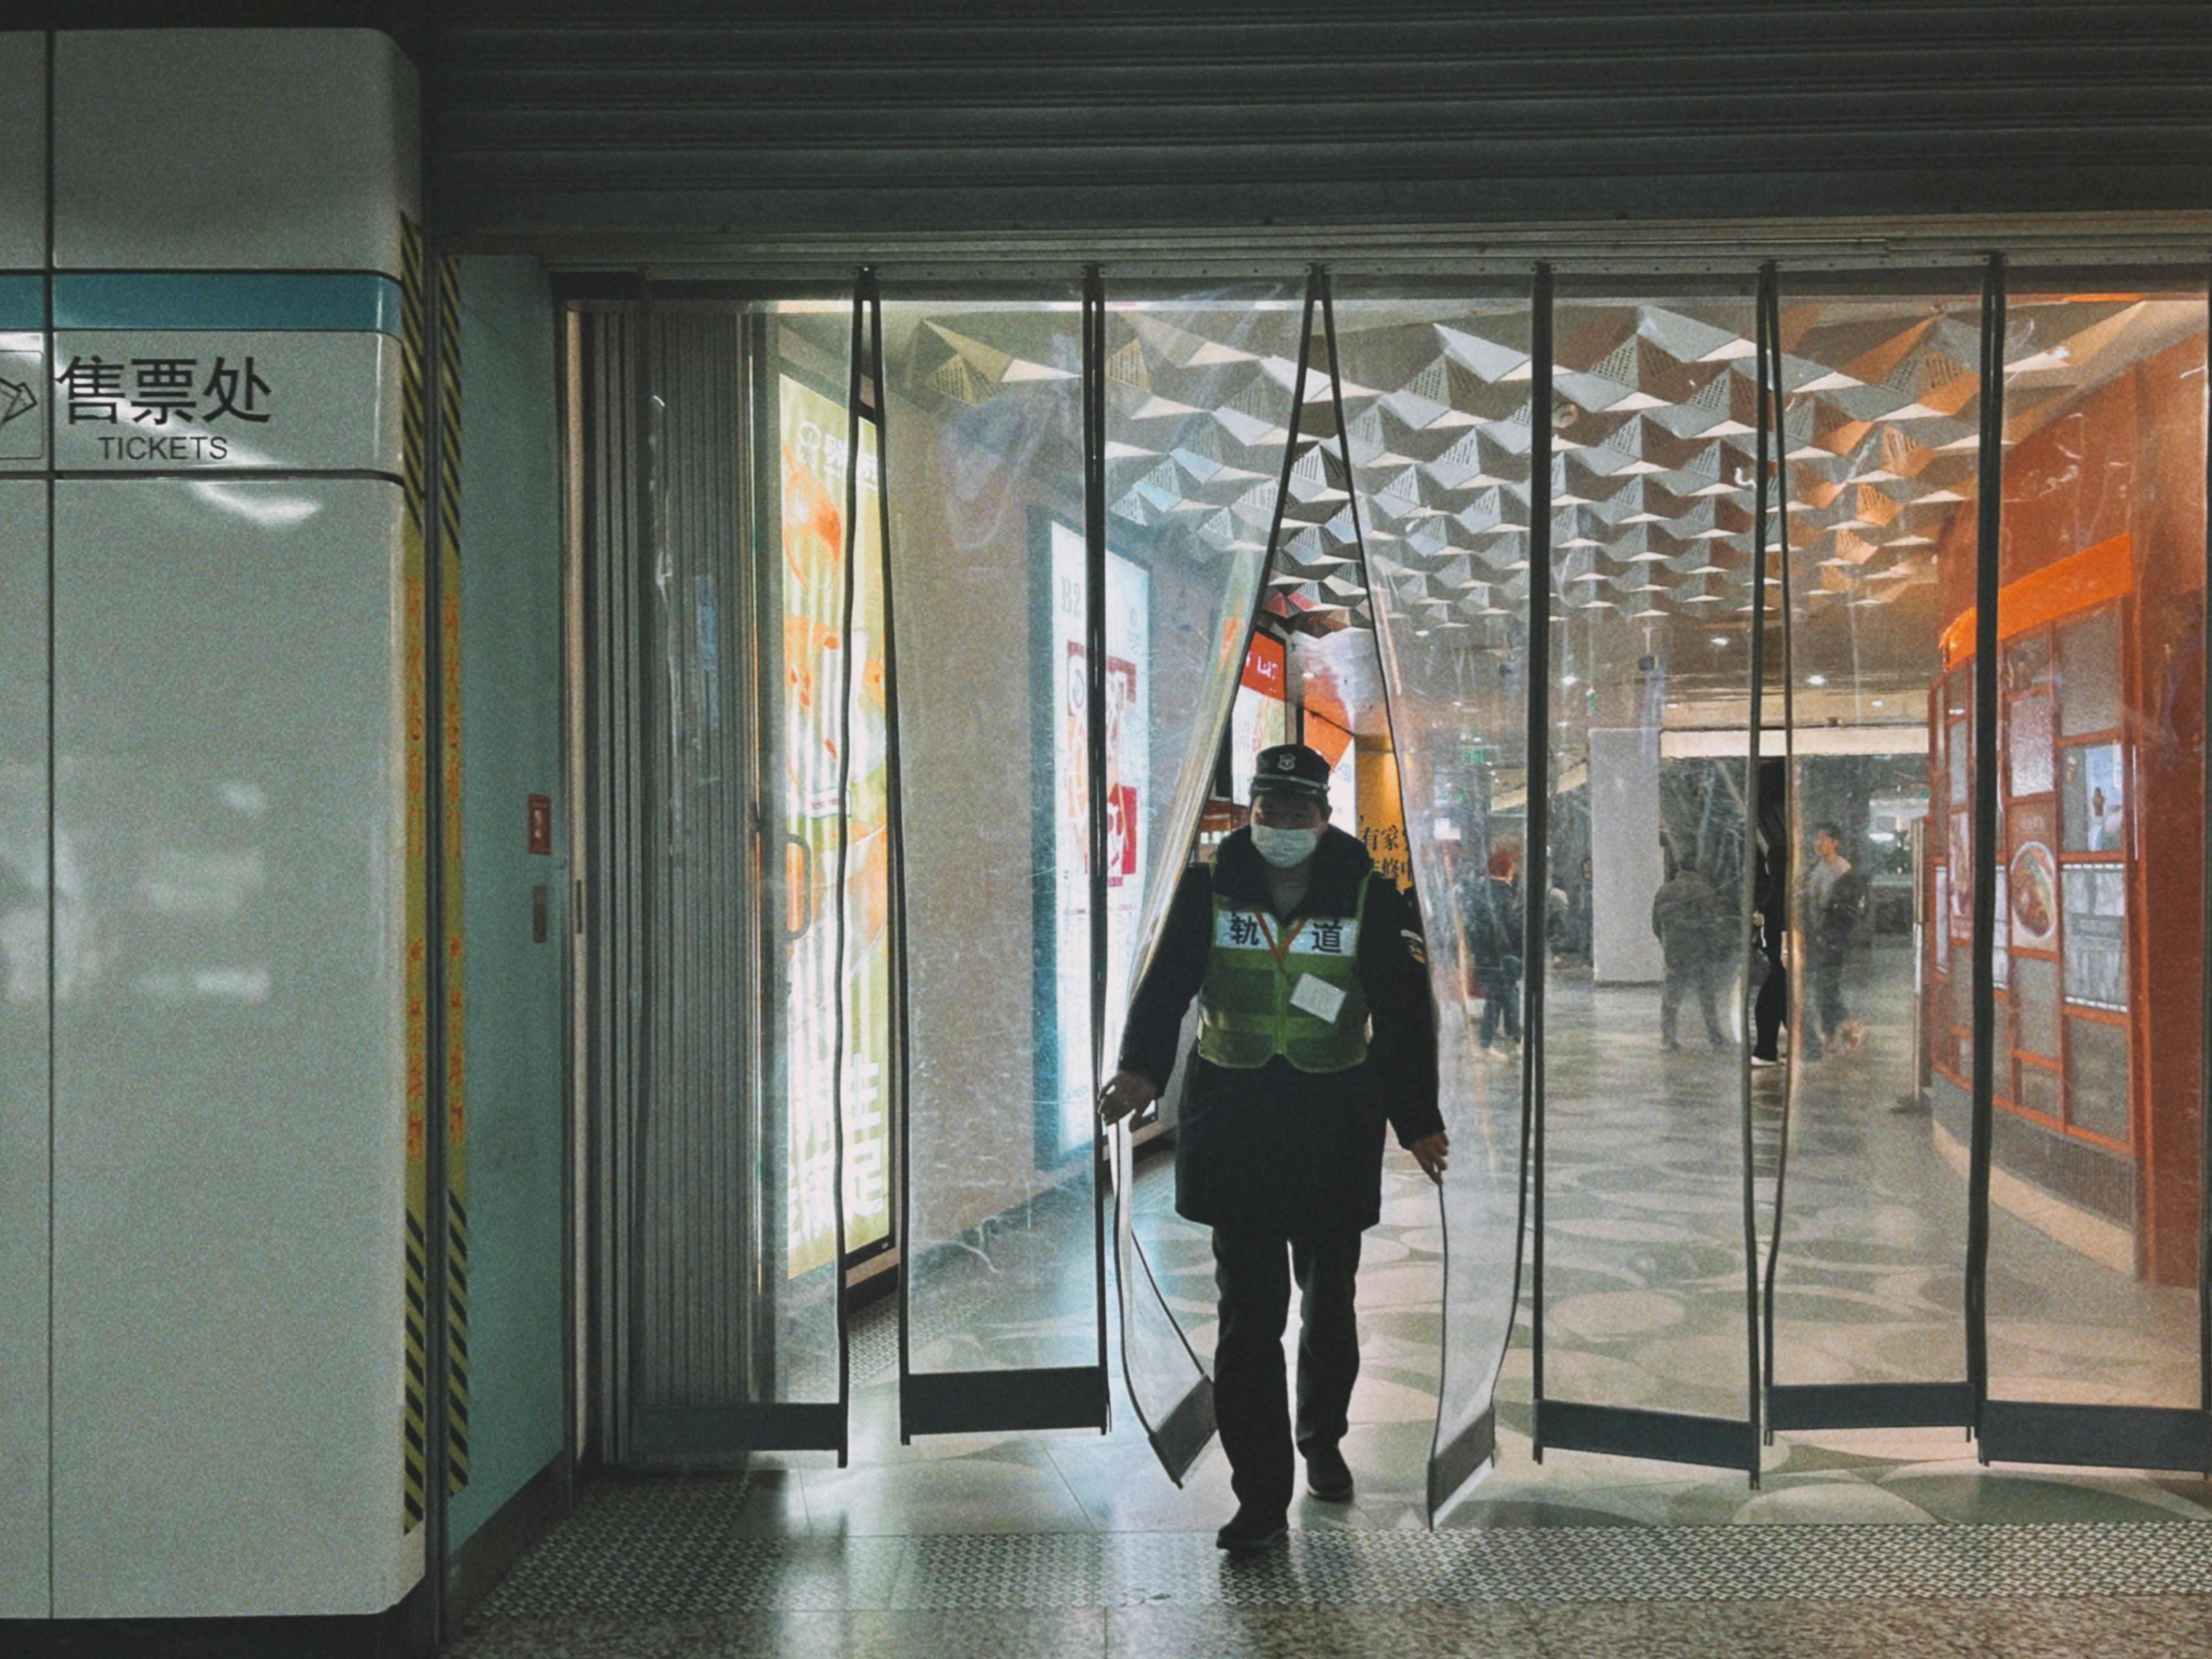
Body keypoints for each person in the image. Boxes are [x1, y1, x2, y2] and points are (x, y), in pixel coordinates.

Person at [1098, 742, 1447, 1554]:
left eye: (1299, 811)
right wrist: (1142, 1068)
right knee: (1247, 1319)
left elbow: (1401, 1012)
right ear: (1251, 812)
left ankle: (1321, 1439)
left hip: (1334, 1124)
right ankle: (1259, 1496)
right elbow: (1168, 983)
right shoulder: (1209, 887)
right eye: (1270, 811)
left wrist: (1417, 1117)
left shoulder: (1367, 894)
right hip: (1240, 1126)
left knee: (1330, 1306)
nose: (1283, 825)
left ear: (1324, 817)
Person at [1650, 852, 1732, 1050]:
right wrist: (1718, 947)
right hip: (1699, 951)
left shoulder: (1665, 891)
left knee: (1671, 996)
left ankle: (1668, 1039)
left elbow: (1656, 923)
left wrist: (1666, 942)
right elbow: (1714, 923)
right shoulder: (1704, 890)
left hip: (1674, 950)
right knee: (1706, 997)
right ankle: (1715, 1038)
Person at [1801, 821, 1868, 1058]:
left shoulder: (1845, 873)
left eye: (1823, 839)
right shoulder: (1814, 870)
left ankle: (1841, 1029)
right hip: (1814, 939)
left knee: (1826, 989)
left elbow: (1847, 913)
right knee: (1822, 990)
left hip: (1832, 941)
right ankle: (1833, 1034)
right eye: (1815, 839)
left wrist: (1832, 936)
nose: (1818, 844)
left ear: (1834, 842)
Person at [1470, 842, 1522, 1058]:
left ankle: (1510, 1039)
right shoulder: (1505, 896)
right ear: (1508, 868)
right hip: (1502, 957)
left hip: (1488, 957)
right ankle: (1494, 1042)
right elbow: (1510, 928)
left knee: (1503, 997)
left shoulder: (1483, 892)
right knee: (1504, 997)